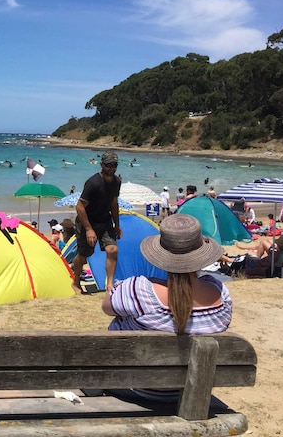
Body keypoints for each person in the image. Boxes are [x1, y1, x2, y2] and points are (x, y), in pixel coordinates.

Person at [102, 214, 231, 400]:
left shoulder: (140, 291)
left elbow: (107, 307)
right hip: (192, 393)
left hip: (136, 390)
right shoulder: (221, 295)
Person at [72, 151, 122, 293]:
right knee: (83, 256)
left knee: (112, 249)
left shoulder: (116, 182)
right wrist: (89, 229)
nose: (112, 168)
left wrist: (117, 225)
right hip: (87, 222)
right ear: (101, 165)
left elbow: (114, 203)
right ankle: (76, 283)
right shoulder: (93, 183)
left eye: (114, 165)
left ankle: (110, 285)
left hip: (105, 221)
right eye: (108, 165)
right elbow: (80, 206)